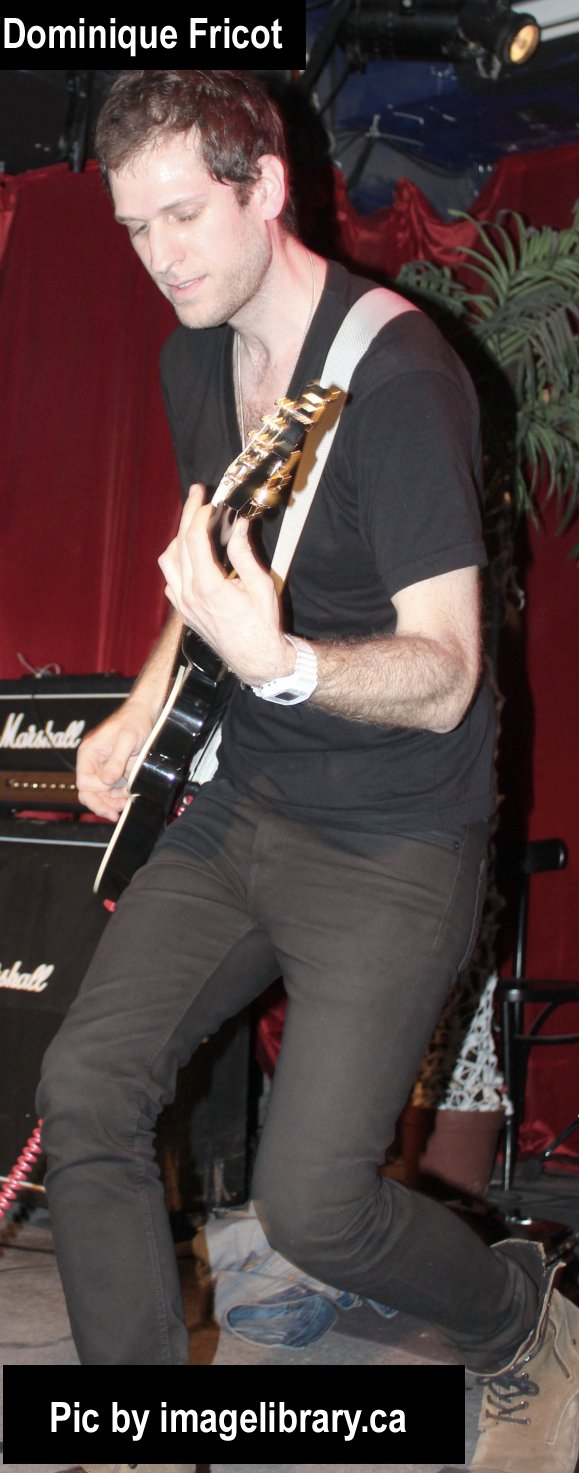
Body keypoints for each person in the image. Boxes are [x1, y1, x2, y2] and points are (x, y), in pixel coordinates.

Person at [38, 70, 578, 1469]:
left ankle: (518, 1314)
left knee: (316, 1207)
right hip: (243, 809)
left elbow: (446, 668)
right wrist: (141, 709)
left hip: (395, 839)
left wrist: (278, 663)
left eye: (183, 216)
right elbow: (220, 564)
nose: (160, 257)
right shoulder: (194, 357)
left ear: (267, 187)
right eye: (133, 228)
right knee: (86, 1087)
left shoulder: (399, 380)